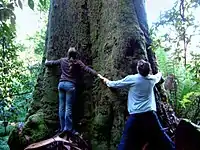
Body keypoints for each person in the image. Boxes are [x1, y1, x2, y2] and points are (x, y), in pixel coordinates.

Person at [99, 60, 175, 150]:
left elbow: (115, 84)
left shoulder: (132, 79)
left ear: (138, 69)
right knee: (161, 135)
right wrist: (160, 72)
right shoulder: (152, 79)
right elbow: (158, 76)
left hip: (135, 115)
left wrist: (106, 81)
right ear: (149, 70)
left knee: (126, 139)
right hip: (149, 114)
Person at [45, 47, 101, 134]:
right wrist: (97, 74)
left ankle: (62, 127)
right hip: (70, 86)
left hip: (61, 85)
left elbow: (52, 63)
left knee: (61, 107)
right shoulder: (77, 62)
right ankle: (68, 129)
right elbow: (86, 68)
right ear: (76, 55)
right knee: (68, 108)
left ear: (67, 54)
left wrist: (46, 62)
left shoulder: (62, 60)